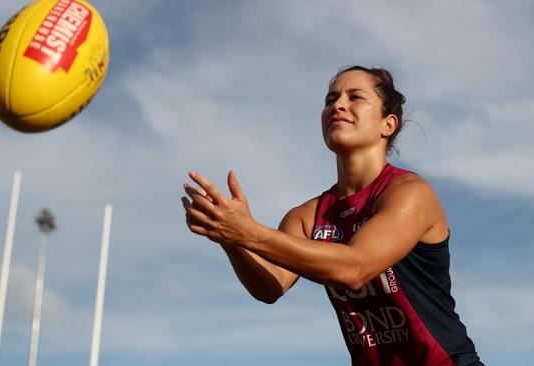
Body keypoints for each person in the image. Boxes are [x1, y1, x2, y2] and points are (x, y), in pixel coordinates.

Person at [181, 66, 483, 365]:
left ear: (387, 124)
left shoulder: (410, 193)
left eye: (355, 97)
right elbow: (270, 287)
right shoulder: (308, 215)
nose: (337, 105)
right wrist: (228, 237)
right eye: (330, 99)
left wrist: (249, 232)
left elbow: (355, 269)